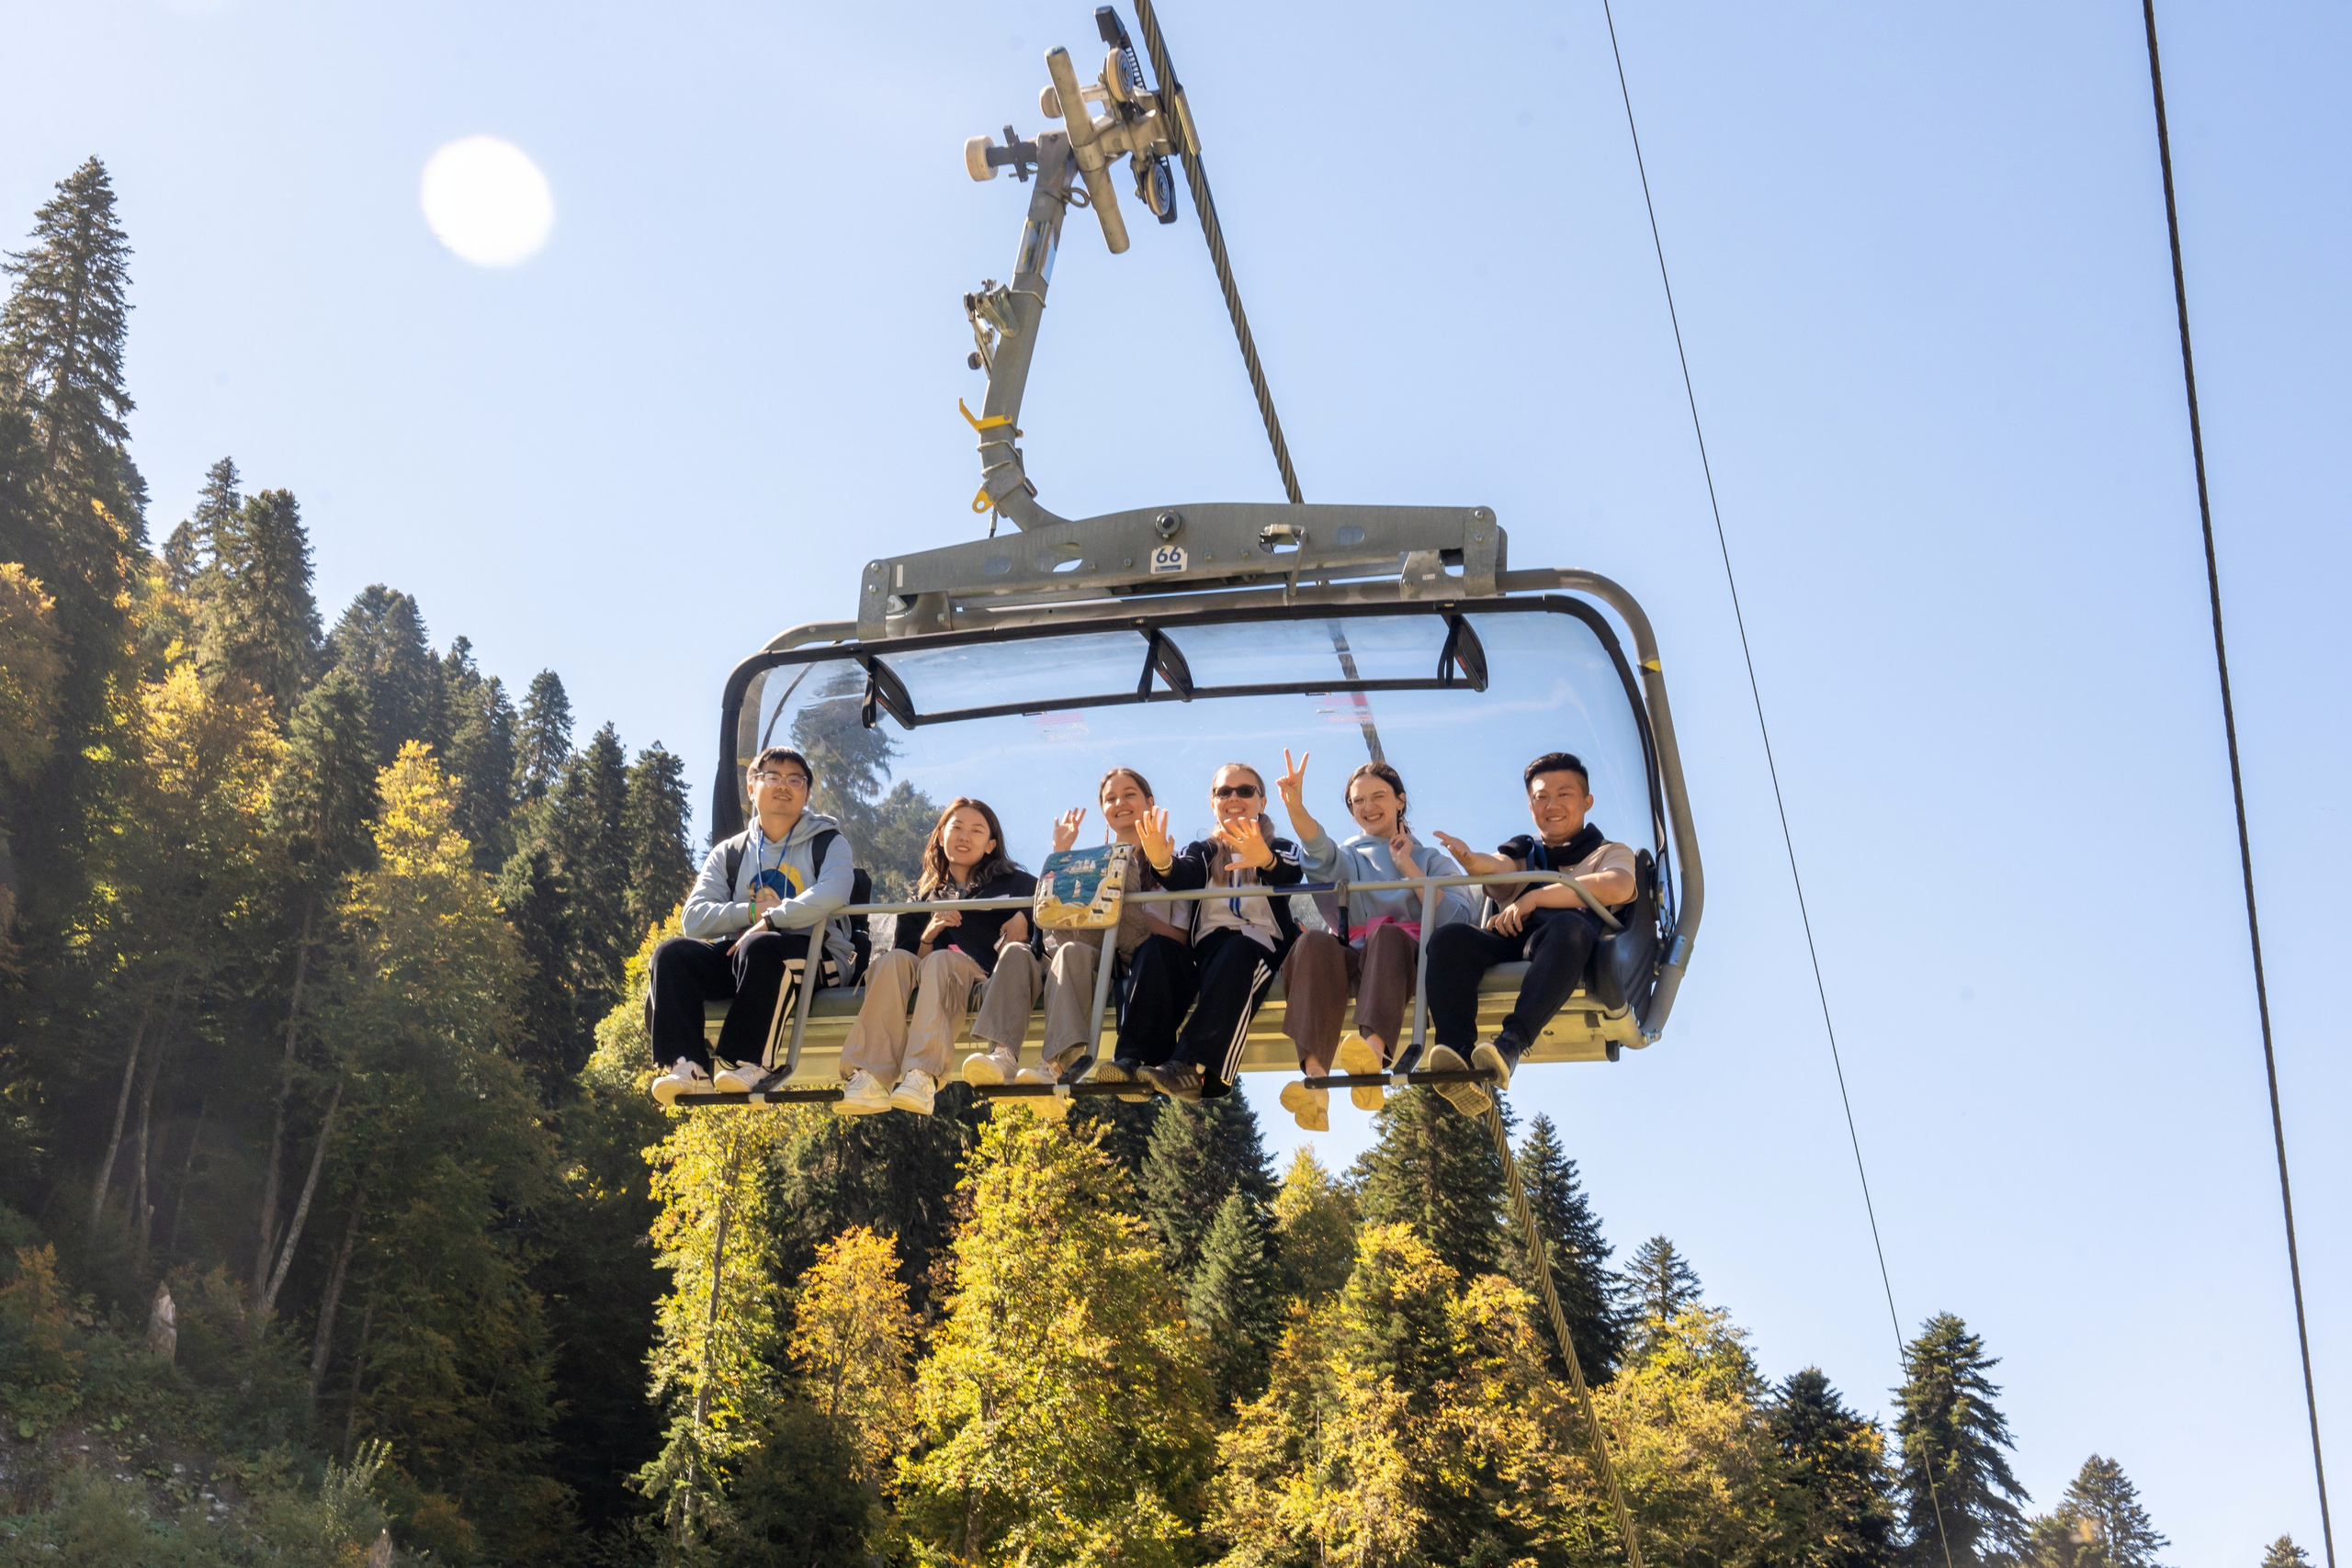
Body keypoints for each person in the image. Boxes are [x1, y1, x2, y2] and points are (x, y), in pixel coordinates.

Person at [1422, 750, 1638, 1117]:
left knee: (1570, 928)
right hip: (1513, 939)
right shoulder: (1526, 850)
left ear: (1586, 801)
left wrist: (1537, 896)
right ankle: (1456, 1056)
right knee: (1449, 941)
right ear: (1530, 806)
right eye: (1541, 797)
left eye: (1563, 794)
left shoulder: (1610, 853)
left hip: (1563, 945)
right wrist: (1472, 860)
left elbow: (1617, 886)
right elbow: (1499, 865)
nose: (1551, 804)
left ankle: (1510, 1044)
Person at [1271, 751, 1476, 1130]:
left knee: (1387, 934)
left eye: (1378, 796)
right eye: (1358, 801)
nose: (1368, 807)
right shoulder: (1348, 857)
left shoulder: (1430, 859)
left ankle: (1372, 1050)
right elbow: (1319, 851)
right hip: (1353, 951)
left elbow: (1456, 919)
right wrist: (1296, 807)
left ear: (1400, 800)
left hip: (1405, 954)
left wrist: (1408, 869)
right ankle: (1316, 1081)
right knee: (1314, 942)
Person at [648, 747, 857, 1103]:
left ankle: (751, 1061)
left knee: (759, 946)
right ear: (751, 787)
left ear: (806, 793)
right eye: (773, 777)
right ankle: (690, 1067)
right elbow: (694, 918)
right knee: (671, 955)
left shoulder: (828, 843)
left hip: (817, 959)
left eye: (796, 780)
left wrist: (773, 918)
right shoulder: (730, 853)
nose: (784, 787)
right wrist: (749, 913)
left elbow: (834, 893)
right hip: (744, 959)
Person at [984, 768, 1188, 1107]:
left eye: (1129, 795)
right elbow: (1055, 920)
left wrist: (1130, 913)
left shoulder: (1173, 865)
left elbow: (1179, 939)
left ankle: (1055, 1063)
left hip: (1130, 962)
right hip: (1081, 951)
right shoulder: (1089, 864)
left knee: (1072, 953)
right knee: (1039, 953)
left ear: (1149, 802)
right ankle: (1003, 1056)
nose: (1120, 803)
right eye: (1111, 799)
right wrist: (1061, 855)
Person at [839, 797, 1035, 1116]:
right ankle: (870, 1076)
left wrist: (1025, 918)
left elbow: (1046, 911)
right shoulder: (923, 897)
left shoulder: (1015, 884)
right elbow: (909, 957)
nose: (964, 837)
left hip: (985, 976)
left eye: (976, 830)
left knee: (941, 961)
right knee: (890, 962)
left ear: (990, 845)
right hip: (932, 972)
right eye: (956, 828)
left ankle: (923, 1075)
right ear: (941, 835)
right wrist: (930, 934)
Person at [1130, 762, 1306, 1102]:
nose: (1233, 798)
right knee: (1157, 950)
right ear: (1213, 803)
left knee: (1237, 950)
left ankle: (1195, 1067)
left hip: (1258, 950)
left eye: (1245, 791)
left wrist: (1264, 859)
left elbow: (1288, 873)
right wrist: (1162, 861)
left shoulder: (1280, 846)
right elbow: (1185, 875)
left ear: (1262, 802)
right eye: (1224, 792)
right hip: (1208, 953)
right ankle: (1135, 1060)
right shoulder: (1204, 851)